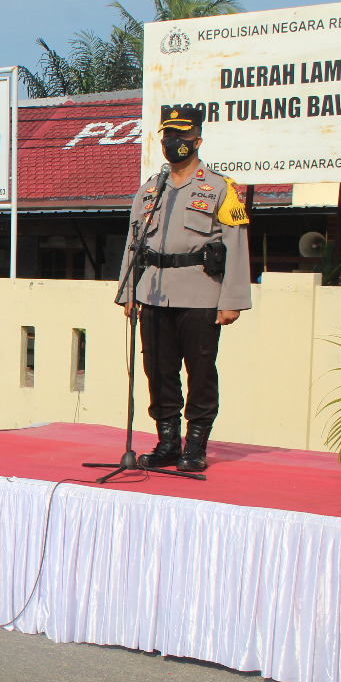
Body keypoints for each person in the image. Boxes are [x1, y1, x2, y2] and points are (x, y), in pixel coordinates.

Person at [117, 104, 251, 472]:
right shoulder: (149, 191)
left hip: (201, 291)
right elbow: (134, 242)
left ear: (197, 140)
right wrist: (128, 291)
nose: (173, 143)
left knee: (200, 370)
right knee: (158, 369)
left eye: (181, 137)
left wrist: (233, 300)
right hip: (153, 290)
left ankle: (195, 445)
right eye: (168, 136)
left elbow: (237, 246)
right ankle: (168, 442)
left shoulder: (220, 188)